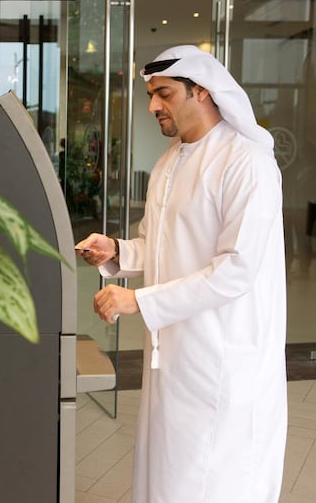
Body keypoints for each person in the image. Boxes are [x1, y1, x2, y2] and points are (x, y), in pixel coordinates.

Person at [75, 45, 287, 502]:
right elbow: (162, 245)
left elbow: (237, 269)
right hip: (171, 354)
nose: (153, 105)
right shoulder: (170, 161)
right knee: (170, 473)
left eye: (165, 94)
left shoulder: (246, 162)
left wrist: (140, 301)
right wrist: (115, 252)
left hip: (223, 357)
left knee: (215, 478)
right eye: (152, 94)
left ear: (203, 93)